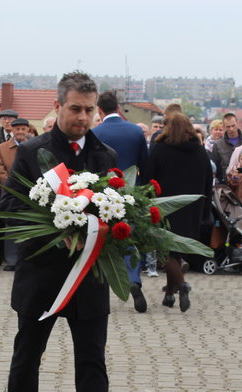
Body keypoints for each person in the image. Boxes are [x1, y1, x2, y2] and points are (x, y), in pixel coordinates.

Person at [3, 71, 117, 392]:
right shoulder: (33, 153)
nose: (82, 117)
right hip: (42, 278)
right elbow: (10, 210)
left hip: (89, 280)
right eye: (75, 109)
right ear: (58, 106)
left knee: (92, 365)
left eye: (89, 110)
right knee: (26, 362)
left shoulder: (107, 156)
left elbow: (119, 216)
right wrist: (55, 228)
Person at [146, 112, 213, 311]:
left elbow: (150, 178)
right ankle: (169, 296)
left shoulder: (160, 149)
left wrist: (148, 204)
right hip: (192, 207)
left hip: (166, 207)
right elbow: (208, 182)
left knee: (165, 251)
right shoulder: (200, 152)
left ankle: (182, 285)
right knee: (176, 252)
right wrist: (205, 210)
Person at [91, 90, 150, 313]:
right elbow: (144, 163)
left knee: (105, 240)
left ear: (99, 110)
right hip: (131, 192)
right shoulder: (136, 131)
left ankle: (103, 287)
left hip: (104, 195)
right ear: (118, 108)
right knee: (130, 236)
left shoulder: (95, 132)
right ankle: (134, 279)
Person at [0, 117, 31, 271]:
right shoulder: (1, 148)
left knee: (28, 226)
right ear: (12, 130)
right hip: (10, 194)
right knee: (11, 226)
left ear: (28, 130)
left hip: (30, 194)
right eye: (17, 129)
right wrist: (13, 187)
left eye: (23, 129)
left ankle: (26, 259)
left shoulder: (34, 146)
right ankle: (11, 260)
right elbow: (0, 169)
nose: (20, 132)